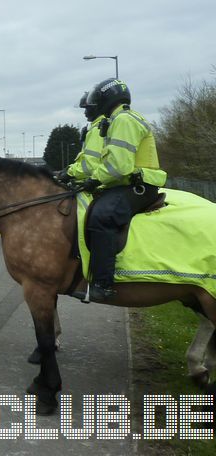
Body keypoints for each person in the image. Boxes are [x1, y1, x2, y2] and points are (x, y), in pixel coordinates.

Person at [78, 78, 167, 301]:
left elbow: (119, 166)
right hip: (129, 184)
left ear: (107, 99)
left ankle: (103, 284)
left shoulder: (124, 120)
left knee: (102, 216)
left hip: (139, 187)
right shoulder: (119, 118)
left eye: (97, 100)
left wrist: (94, 180)